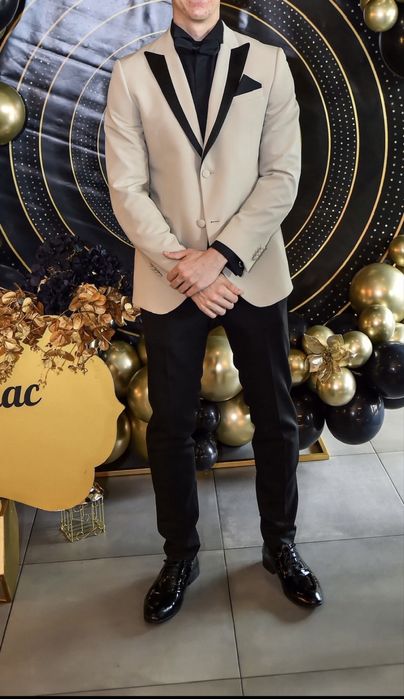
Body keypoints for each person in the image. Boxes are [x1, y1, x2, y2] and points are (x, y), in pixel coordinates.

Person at [104, 0, 323, 624]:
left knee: (276, 417)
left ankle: (281, 545)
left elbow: (281, 175)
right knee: (170, 425)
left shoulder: (270, 64)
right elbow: (126, 187)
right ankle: (180, 555)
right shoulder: (131, 73)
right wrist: (185, 265)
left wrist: (220, 258)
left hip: (251, 269)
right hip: (171, 276)